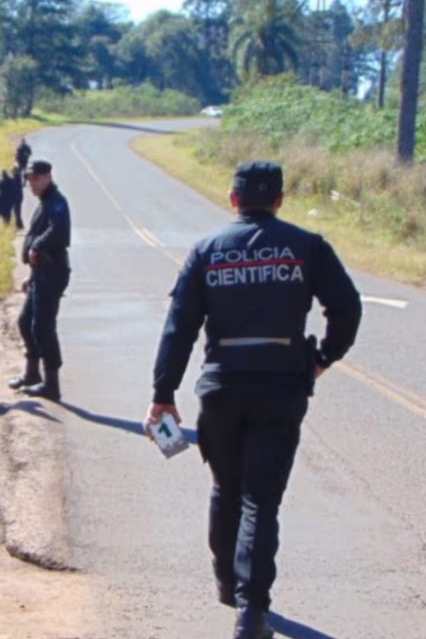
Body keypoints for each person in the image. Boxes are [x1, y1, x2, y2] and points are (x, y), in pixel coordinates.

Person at [145, 161, 362, 639]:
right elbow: (347, 307)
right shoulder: (308, 246)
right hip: (281, 387)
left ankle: (228, 586)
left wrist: (163, 394)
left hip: (222, 387)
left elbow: (179, 327)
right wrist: (323, 357)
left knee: (226, 488)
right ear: (280, 200)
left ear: (233, 199)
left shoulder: (207, 251)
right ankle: (252, 612)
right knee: (261, 499)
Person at [8, 160, 70, 400]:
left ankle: (52, 384)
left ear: (48, 177)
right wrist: (31, 278)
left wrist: (36, 245)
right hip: (40, 274)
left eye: (37, 178)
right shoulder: (45, 202)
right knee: (25, 322)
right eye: (30, 179)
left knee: (44, 326)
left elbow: (59, 231)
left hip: (53, 273)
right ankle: (32, 373)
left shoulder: (57, 203)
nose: (32, 183)